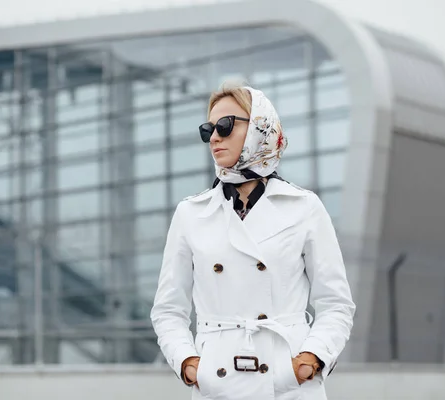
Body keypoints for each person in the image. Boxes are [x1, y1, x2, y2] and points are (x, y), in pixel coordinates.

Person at [150, 83, 355, 400]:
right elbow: (167, 310)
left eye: (226, 125)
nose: (215, 137)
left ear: (261, 126)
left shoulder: (304, 208)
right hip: (218, 383)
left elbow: (336, 305)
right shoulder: (191, 213)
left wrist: (307, 362)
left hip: (287, 385)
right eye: (208, 130)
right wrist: (190, 365)